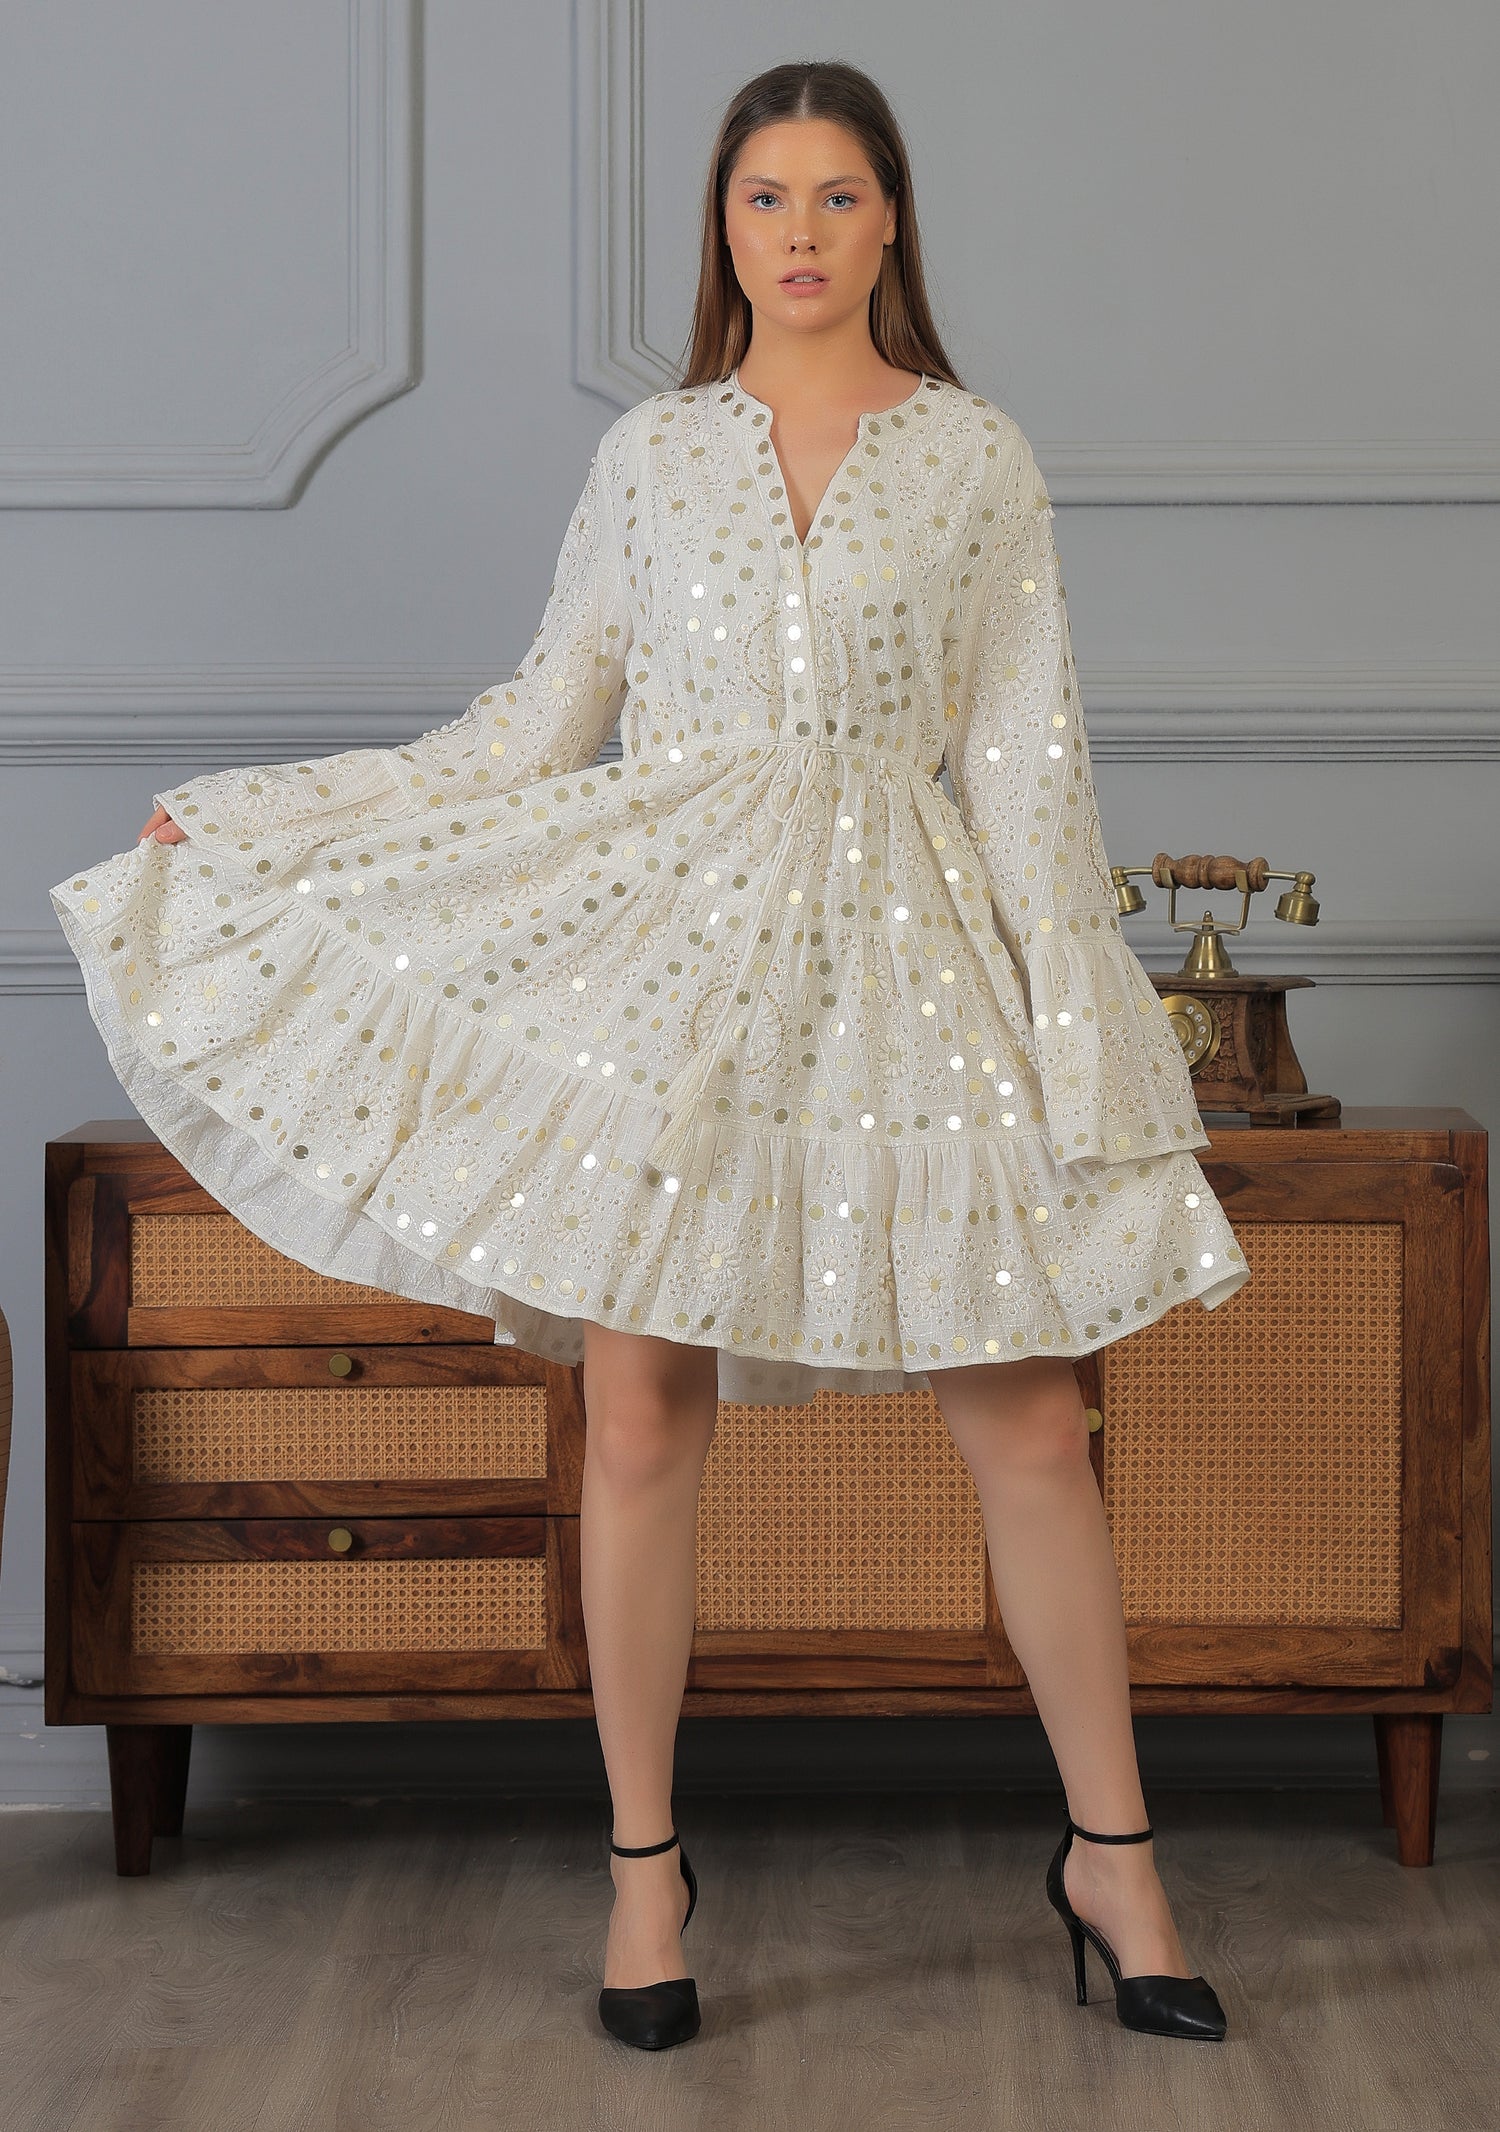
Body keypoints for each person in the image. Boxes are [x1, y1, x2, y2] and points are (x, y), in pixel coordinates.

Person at [52, 57, 1244, 2053]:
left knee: (1036, 1422)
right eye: (766, 196)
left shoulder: (976, 457)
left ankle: (1116, 1860)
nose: (801, 231)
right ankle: (643, 1872)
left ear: (893, 219)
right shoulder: (655, 459)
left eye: (837, 195)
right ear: (723, 226)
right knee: (635, 1414)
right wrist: (274, 813)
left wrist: (1088, 1060)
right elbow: (533, 725)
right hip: (674, 963)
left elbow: (1031, 772)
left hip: (914, 966)